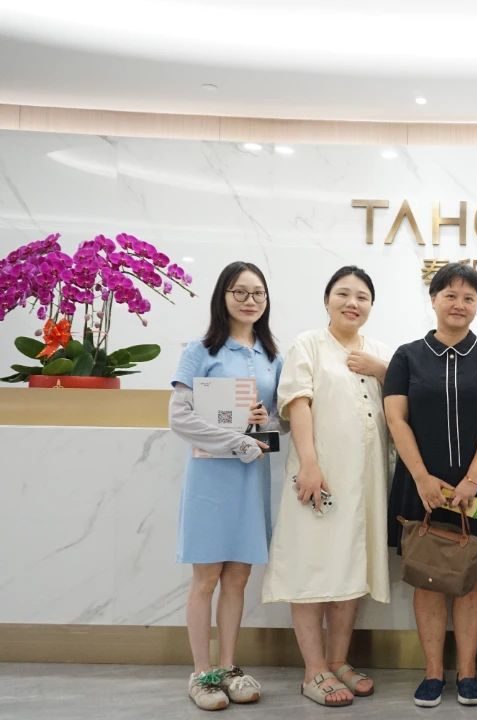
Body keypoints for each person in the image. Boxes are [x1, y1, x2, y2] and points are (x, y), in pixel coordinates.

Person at [384, 262, 477, 709]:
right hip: (421, 482)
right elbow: (396, 418)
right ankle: (432, 673)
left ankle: (468, 673)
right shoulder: (407, 356)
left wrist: (473, 478)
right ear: (434, 299)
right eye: (450, 295)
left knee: (469, 576)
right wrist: (422, 477)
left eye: (469, 298)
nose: (459, 304)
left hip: (476, 484)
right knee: (427, 576)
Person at [262, 266, 392, 707]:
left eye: (362, 297)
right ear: (327, 300)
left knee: (351, 568)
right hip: (319, 478)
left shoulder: (379, 351)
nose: (353, 303)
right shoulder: (309, 345)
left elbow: (405, 401)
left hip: (366, 481)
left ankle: (338, 661)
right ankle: (313, 670)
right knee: (312, 567)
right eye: (343, 294)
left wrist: (383, 370)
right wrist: (310, 464)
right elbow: (297, 402)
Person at [169, 261, 282, 710]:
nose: (250, 300)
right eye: (240, 292)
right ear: (223, 296)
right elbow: (180, 417)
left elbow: (279, 425)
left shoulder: (273, 356)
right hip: (211, 477)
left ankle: (229, 667)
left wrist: (264, 423)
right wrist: (237, 439)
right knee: (206, 578)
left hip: (251, 477)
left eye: (258, 293)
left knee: (238, 576)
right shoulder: (200, 350)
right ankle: (202, 674)